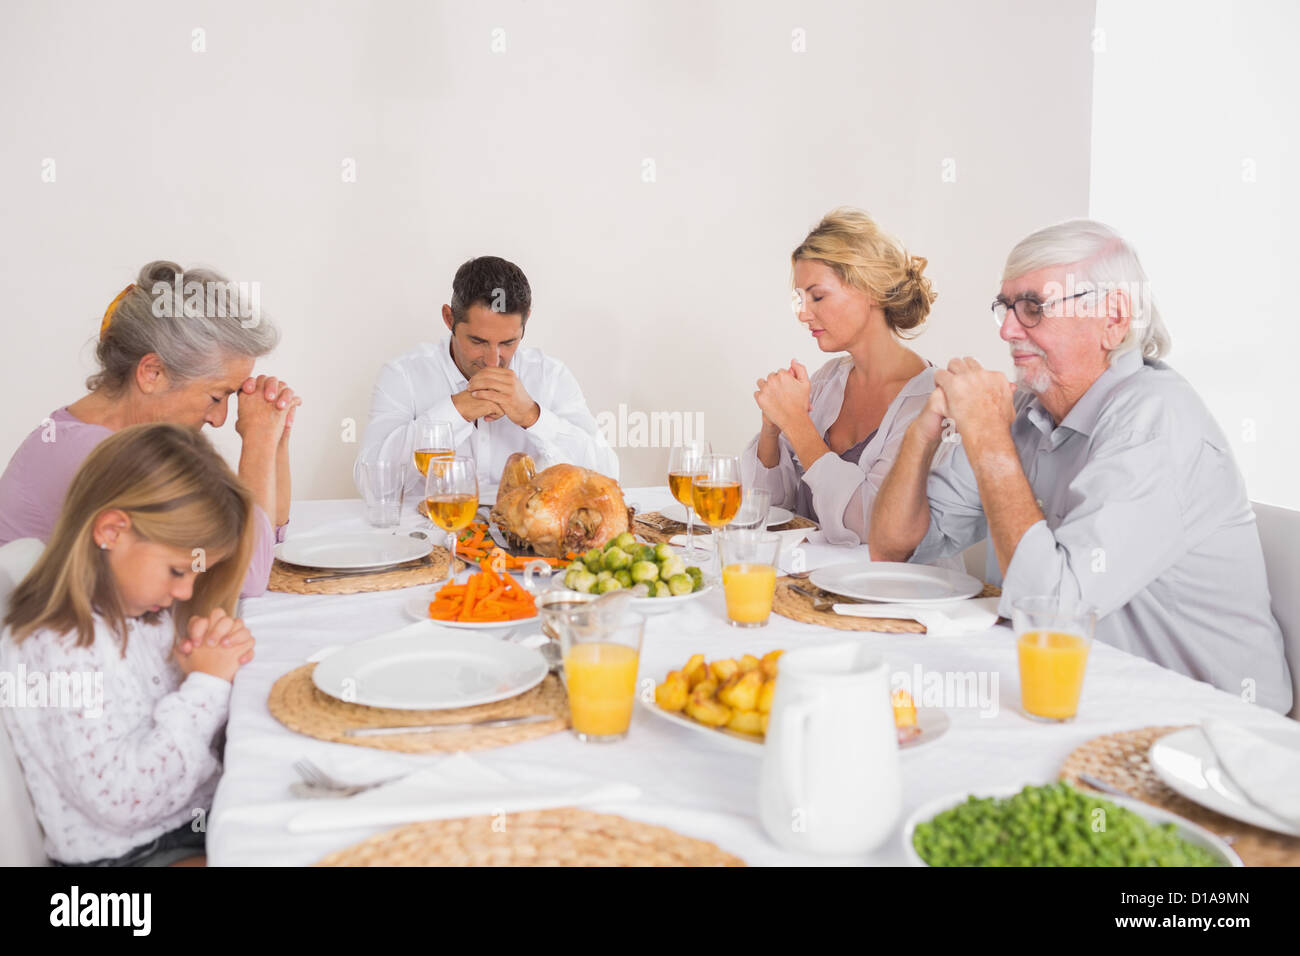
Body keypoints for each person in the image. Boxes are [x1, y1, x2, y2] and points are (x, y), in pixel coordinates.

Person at [868, 219, 1291, 713]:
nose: (1007, 330)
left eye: (1033, 308)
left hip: (1214, 731)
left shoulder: (1155, 425)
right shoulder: (1030, 408)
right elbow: (894, 549)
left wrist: (986, 439)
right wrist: (923, 431)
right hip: (1092, 696)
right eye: (1005, 308)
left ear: (1112, 319)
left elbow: (1051, 614)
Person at [1, 424, 258, 866]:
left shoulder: (140, 614)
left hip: (187, 824)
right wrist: (207, 687)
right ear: (113, 531)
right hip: (130, 857)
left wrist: (199, 668)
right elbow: (123, 799)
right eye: (178, 571)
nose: (184, 592)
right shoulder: (59, 647)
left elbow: (166, 735)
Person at [0, 260, 298, 598]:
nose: (219, 419)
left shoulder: (125, 440)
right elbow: (244, 577)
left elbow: (263, 536)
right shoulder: (100, 456)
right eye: (217, 396)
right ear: (152, 373)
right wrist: (258, 442)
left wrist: (275, 438)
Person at [740, 208, 942, 546]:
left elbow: (870, 525)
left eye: (818, 296)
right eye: (801, 299)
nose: (804, 314)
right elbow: (771, 511)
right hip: (815, 592)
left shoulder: (932, 403)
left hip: (894, 594)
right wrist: (773, 427)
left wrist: (798, 425)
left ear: (872, 290)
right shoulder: (827, 381)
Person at [355, 255, 618, 500]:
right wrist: (456, 411)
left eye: (508, 342)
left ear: (526, 321)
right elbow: (372, 487)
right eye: (478, 341)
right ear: (449, 318)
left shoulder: (550, 376)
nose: (493, 360)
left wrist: (533, 417)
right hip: (431, 539)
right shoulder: (403, 375)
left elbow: (607, 476)